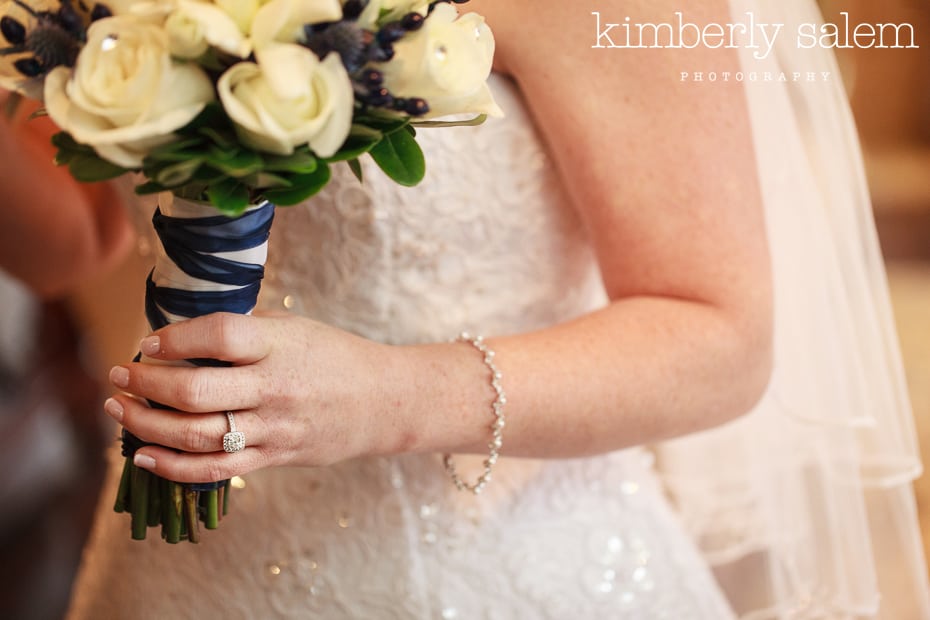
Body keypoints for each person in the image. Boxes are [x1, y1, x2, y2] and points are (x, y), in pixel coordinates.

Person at [0, 0, 925, 617]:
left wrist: (389, 396)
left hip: (483, 568)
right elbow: (77, 239)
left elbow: (723, 336)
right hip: (179, 572)